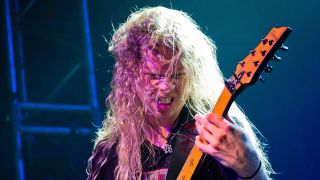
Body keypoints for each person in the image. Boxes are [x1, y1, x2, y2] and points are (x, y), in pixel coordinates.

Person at [87, 6, 273, 180]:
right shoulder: (111, 152)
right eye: (154, 75)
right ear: (131, 75)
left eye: (177, 75)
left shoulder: (217, 133)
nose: (166, 87)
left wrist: (251, 167)